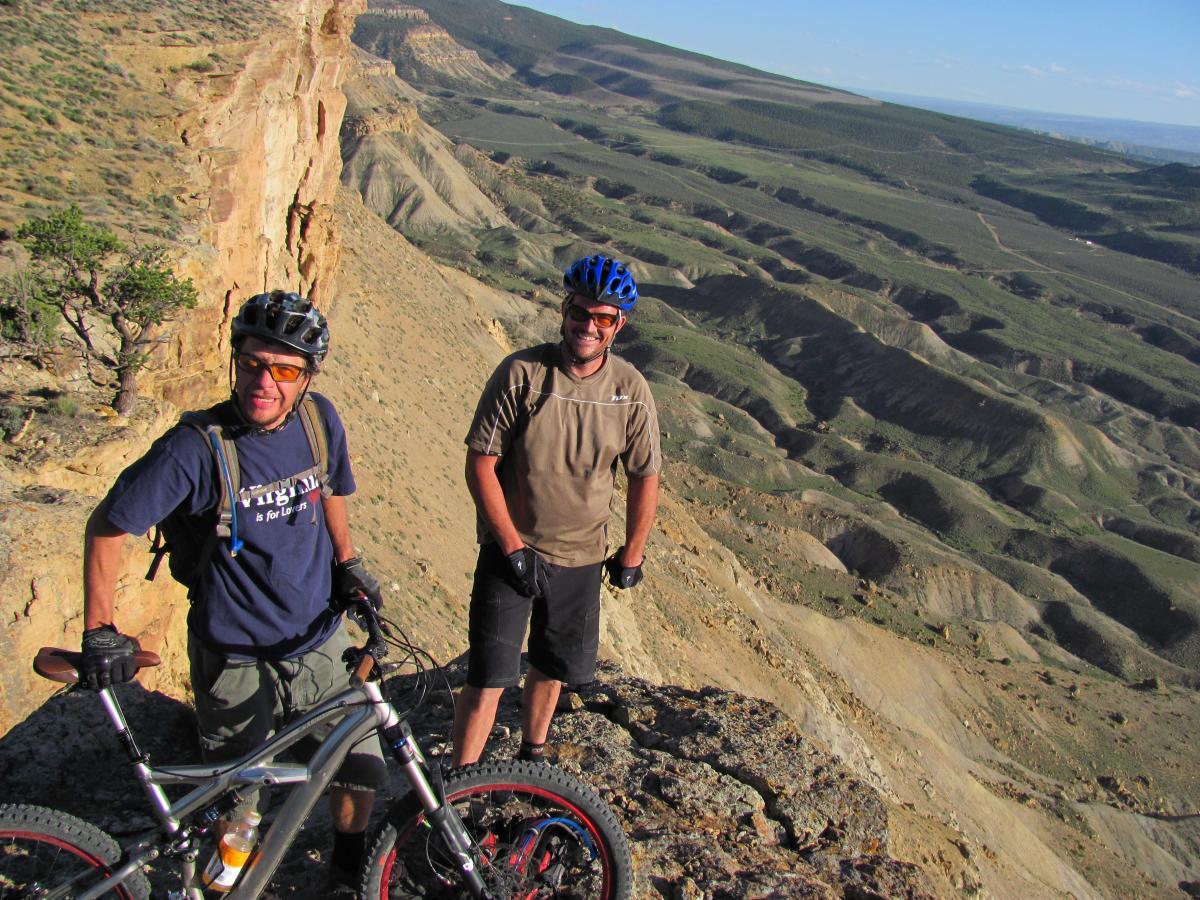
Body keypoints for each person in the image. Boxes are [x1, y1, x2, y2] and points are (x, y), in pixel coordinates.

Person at [79, 290, 384, 891]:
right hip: (236, 660)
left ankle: (348, 875)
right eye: (251, 364)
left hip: (318, 641)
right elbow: (109, 523)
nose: (264, 382)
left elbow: (330, 490)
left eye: (284, 370)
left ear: (306, 377)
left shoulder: (320, 421)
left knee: (359, 764)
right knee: (240, 805)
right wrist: (99, 628)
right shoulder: (195, 449)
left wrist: (347, 563)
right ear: (236, 362)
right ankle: (222, 889)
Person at [453, 255, 661, 766]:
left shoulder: (630, 391)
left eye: (603, 318)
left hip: (582, 557)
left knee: (550, 667)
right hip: (512, 552)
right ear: (564, 309)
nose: (588, 327)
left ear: (619, 325)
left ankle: (532, 755)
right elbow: (481, 463)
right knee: (489, 677)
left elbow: (644, 475)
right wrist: (510, 545)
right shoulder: (522, 374)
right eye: (581, 313)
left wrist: (632, 553)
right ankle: (456, 786)